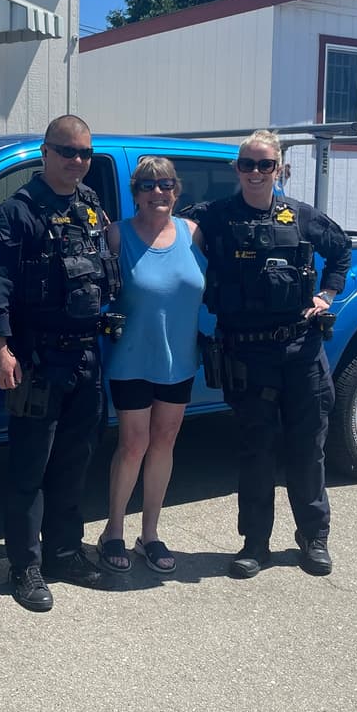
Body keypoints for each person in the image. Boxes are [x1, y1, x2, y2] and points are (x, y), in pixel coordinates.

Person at [188, 129, 352, 579]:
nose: (256, 172)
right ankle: (255, 543)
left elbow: (341, 251)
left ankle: (313, 538)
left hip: (301, 349)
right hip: (248, 354)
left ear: (280, 169)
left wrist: (327, 294)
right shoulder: (215, 216)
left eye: (265, 164)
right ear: (237, 168)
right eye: (248, 164)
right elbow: (164, 227)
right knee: (255, 450)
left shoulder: (302, 216)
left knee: (307, 448)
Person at [0, 114, 120, 612]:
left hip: (85, 355)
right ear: (45, 152)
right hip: (36, 359)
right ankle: (25, 566)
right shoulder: (16, 213)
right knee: (29, 469)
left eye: (85, 153)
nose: (77, 161)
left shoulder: (90, 206)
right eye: (67, 151)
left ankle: (63, 553)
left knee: (74, 464)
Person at [97, 157, 206, 574]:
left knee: (165, 442)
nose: (157, 192)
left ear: (176, 190)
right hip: (131, 359)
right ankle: (113, 531)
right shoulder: (117, 235)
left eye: (165, 184)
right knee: (133, 445)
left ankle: (150, 534)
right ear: (135, 193)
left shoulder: (193, 233)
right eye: (147, 185)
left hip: (179, 361)